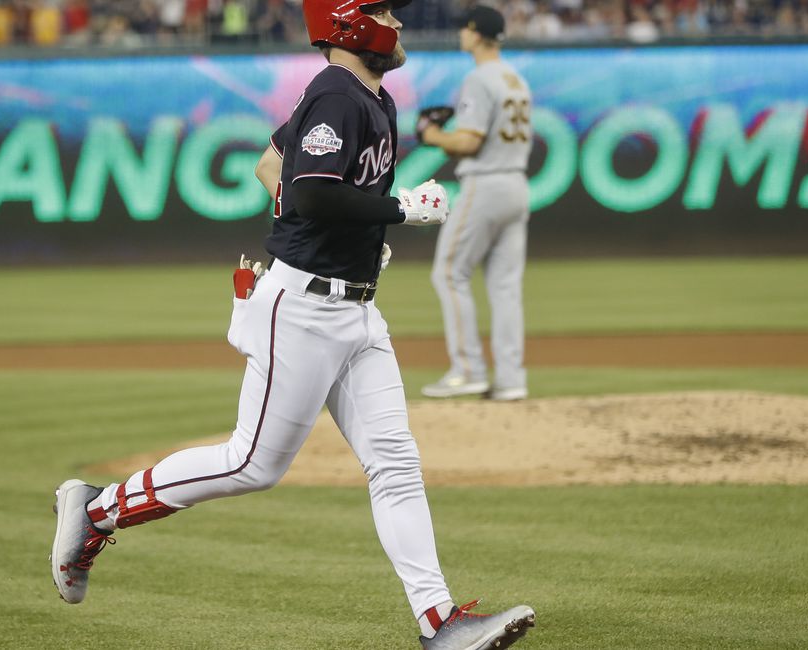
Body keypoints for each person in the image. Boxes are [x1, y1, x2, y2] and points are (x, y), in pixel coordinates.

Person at [49, 1, 536, 648]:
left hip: (356, 308)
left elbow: (272, 166)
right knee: (252, 463)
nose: (396, 22)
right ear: (350, 24)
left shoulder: (362, 94)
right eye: (383, 10)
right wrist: (397, 209)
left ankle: (440, 624)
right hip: (304, 308)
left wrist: (345, 237)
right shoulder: (339, 93)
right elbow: (308, 191)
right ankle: (96, 508)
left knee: (395, 464)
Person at [417, 5, 533, 402]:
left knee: (449, 273)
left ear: (477, 33)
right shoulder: (516, 78)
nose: (461, 34)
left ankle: (468, 370)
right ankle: (511, 379)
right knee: (505, 287)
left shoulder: (479, 78)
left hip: (485, 184)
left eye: (465, 28)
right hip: (516, 184)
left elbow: (469, 141)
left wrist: (432, 135)